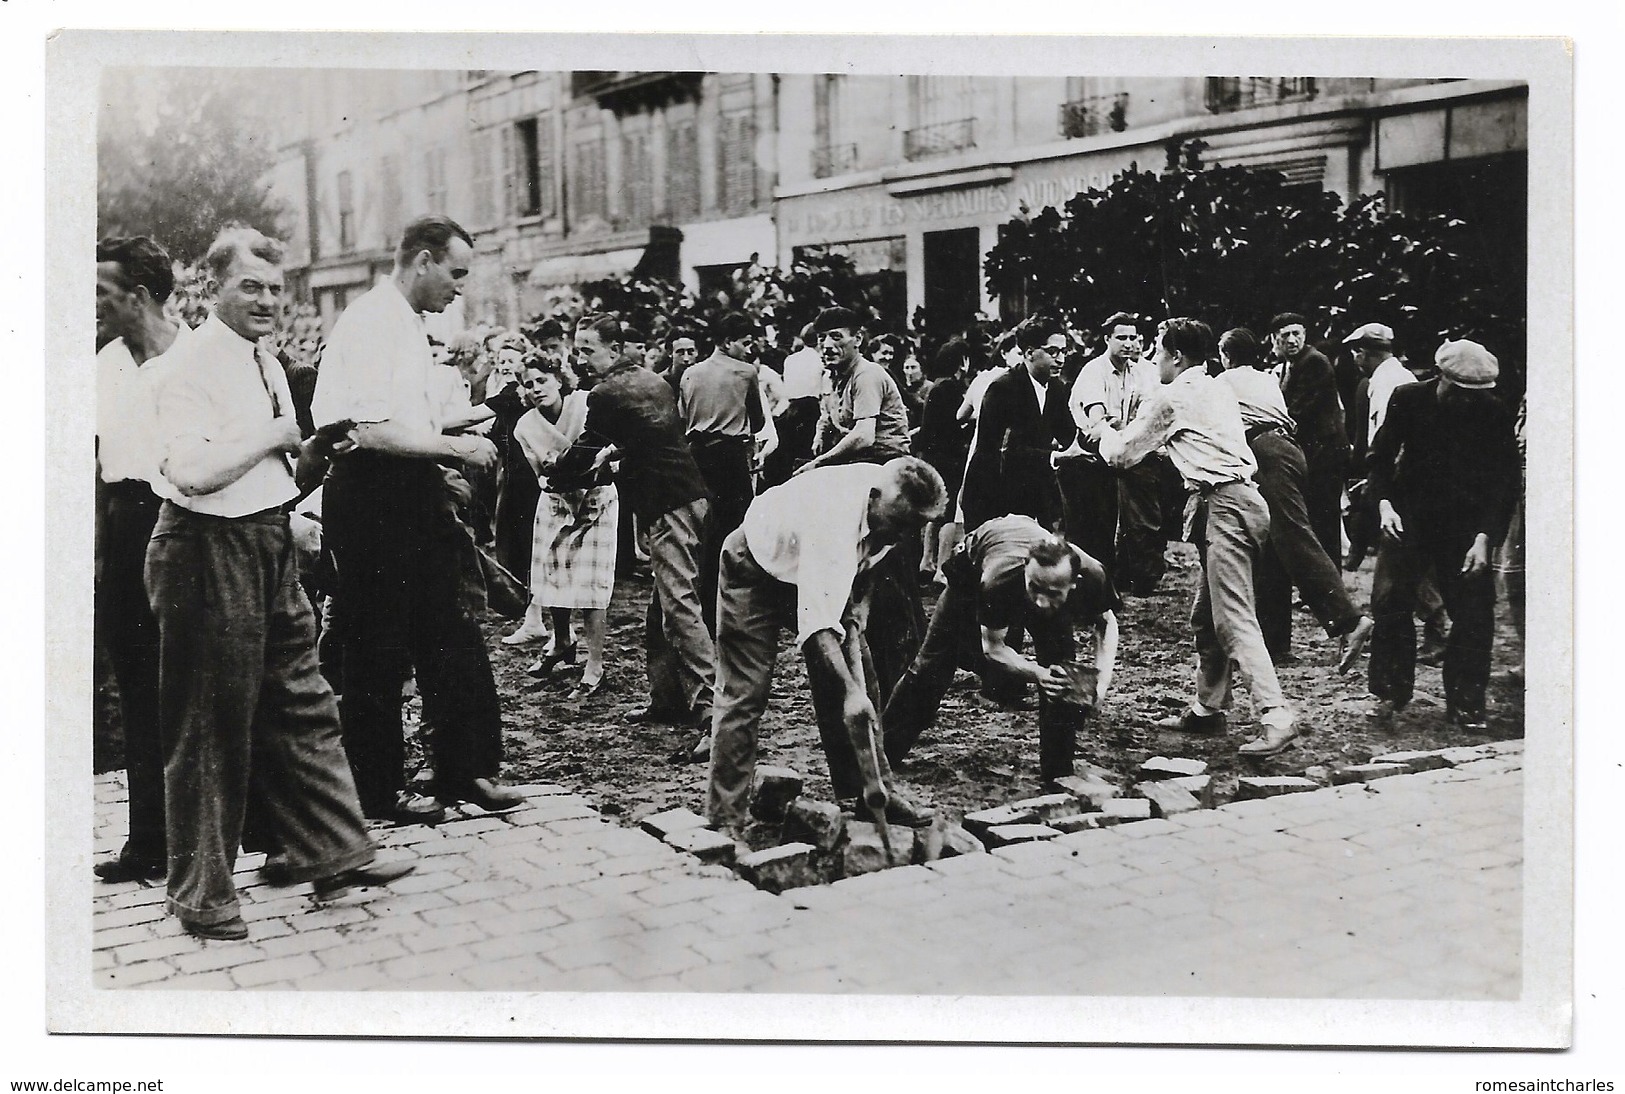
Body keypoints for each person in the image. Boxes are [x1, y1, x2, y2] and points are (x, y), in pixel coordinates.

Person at [148, 226, 413, 940]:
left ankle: (333, 849)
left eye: (274, 287)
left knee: (303, 701)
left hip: (265, 540)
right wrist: (275, 434)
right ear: (212, 289)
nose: (267, 300)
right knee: (209, 728)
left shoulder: (264, 359)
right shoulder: (187, 366)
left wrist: (316, 454)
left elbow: (280, 474)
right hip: (204, 550)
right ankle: (201, 897)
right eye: (250, 287)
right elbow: (192, 473)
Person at [312, 214, 524, 824]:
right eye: (455, 274)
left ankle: (465, 770)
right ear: (423, 261)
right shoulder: (372, 322)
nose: (460, 288)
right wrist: (457, 449)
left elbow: (414, 420)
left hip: (411, 488)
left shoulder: (410, 325)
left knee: (451, 632)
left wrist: (469, 423)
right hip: (371, 497)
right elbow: (369, 431)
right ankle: (378, 791)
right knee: (377, 645)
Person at [1081, 318, 1300, 757]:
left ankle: (1276, 717)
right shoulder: (1214, 385)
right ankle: (1208, 708)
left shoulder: (1176, 395)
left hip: (1226, 505)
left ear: (1177, 357)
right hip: (1235, 503)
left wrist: (1100, 427)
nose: (1151, 360)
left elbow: (1123, 455)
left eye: (1158, 352)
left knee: (1232, 619)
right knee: (1207, 617)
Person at [705, 458, 947, 841]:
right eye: (897, 524)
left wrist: (861, 607)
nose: (900, 535)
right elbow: (817, 627)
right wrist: (850, 693)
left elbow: (869, 560)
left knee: (862, 674)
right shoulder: (833, 521)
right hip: (753, 565)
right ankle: (725, 818)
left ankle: (873, 792)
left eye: (910, 528)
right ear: (872, 499)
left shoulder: (890, 510)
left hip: (809, 565)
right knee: (745, 692)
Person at [551, 315, 717, 730]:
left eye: (588, 349)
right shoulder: (652, 380)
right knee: (662, 607)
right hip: (689, 496)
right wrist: (614, 460)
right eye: (578, 348)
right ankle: (667, 700)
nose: (581, 357)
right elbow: (649, 444)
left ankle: (712, 710)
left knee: (679, 607)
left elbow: (585, 447)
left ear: (613, 348)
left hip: (669, 503)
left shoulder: (605, 392)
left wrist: (554, 475)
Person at [883, 518, 1119, 787]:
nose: (1041, 602)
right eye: (1035, 588)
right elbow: (993, 648)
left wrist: (1101, 684)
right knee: (931, 668)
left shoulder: (1092, 574)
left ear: (1074, 583)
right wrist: (1037, 673)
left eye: (1052, 593)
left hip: (1022, 568)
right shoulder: (999, 580)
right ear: (1027, 574)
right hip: (971, 573)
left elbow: (1106, 623)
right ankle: (882, 757)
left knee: (1063, 676)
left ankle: (1058, 773)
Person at [92, 235, 189, 883]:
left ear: (142, 295)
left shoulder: (198, 360)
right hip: (126, 532)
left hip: (185, 529)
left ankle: (243, 830)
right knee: (137, 688)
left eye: (102, 293)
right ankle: (148, 840)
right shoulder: (104, 363)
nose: (91, 305)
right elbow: (97, 467)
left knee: (197, 686)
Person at [1365, 340, 1520, 732]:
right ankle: (1390, 692)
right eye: (1462, 393)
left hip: (1465, 528)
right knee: (1391, 601)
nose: (1470, 402)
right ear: (1443, 380)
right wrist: (1385, 505)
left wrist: (1485, 536)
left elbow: (1504, 482)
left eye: (1477, 396)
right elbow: (1379, 459)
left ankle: (1467, 702)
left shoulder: (1493, 412)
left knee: (1474, 611)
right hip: (1409, 517)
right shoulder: (1408, 399)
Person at [1216, 328, 1373, 668]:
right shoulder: (1265, 379)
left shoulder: (1223, 383)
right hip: (1285, 450)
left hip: (1268, 454)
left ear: (1225, 356)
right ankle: (1274, 643)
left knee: (1294, 537)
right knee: (1273, 548)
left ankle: (1348, 619)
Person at [513, 356, 618, 700]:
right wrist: (560, 474)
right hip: (557, 500)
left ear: (559, 379)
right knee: (553, 574)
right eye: (528, 385)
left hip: (596, 499)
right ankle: (561, 641)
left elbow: (609, 456)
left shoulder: (585, 403)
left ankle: (595, 665)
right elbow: (541, 476)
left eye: (541, 380)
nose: (535, 389)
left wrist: (581, 469)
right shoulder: (525, 426)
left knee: (590, 583)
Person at [1057, 312, 1167, 594]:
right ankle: (1091, 580)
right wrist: (1115, 425)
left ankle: (1136, 572)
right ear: (1107, 339)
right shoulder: (1095, 370)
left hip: (1122, 445)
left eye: (1133, 338)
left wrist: (1121, 426)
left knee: (1140, 504)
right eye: (1121, 338)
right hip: (1087, 449)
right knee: (1094, 518)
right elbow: (1096, 420)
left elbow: (1148, 411)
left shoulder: (1140, 371)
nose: (1128, 344)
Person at [680, 312, 769, 629]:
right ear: (726, 342)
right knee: (735, 532)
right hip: (729, 457)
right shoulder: (746, 372)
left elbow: (683, 415)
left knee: (705, 531)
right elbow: (757, 421)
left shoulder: (690, 372)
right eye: (745, 343)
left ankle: (704, 607)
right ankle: (732, 606)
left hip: (696, 456)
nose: (749, 349)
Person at [958, 317, 1076, 532]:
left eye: (1064, 351)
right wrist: (1053, 456)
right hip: (991, 495)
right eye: (1053, 352)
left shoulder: (1057, 388)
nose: (1061, 359)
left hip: (1030, 492)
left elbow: (1069, 434)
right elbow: (1000, 450)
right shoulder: (1003, 388)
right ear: (1029, 353)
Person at [1268, 312, 1351, 565]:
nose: (1292, 340)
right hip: (1312, 456)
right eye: (1286, 335)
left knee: (1324, 524)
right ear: (1274, 339)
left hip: (1325, 457)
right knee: (1314, 521)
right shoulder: (1288, 365)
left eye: (1297, 333)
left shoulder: (1314, 362)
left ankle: (1329, 588)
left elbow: (1299, 411)